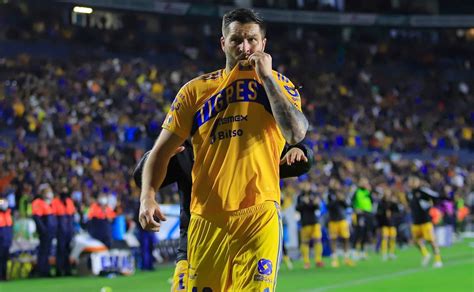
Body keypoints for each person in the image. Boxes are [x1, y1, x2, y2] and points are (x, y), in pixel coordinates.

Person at [138, 7, 308, 291]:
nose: (245, 47)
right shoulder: (195, 91)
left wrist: (266, 79)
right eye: (236, 40)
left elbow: (296, 133)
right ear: (223, 43)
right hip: (206, 219)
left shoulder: (279, 85)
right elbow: (160, 151)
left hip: (259, 214)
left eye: (252, 40)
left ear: (263, 44)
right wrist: (147, 197)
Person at [134, 141, 313, 289]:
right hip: (196, 246)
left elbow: (298, 161)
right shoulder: (183, 151)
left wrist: (299, 149)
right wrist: (160, 153)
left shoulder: (241, 138)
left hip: (246, 242)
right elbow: (141, 176)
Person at [406, 176, 443, 268]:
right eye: (411, 181)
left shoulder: (423, 191)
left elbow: (435, 196)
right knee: (415, 241)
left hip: (425, 221)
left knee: (431, 241)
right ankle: (426, 254)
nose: (412, 183)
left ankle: (438, 260)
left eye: (414, 181)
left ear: (418, 182)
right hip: (415, 221)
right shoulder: (409, 194)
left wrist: (431, 206)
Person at [296, 181, 323, 269]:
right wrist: (304, 203)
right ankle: (306, 262)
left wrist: (309, 203)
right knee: (305, 242)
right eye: (304, 184)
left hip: (315, 222)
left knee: (317, 240)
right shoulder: (300, 197)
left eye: (307, 184)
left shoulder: (314, 195)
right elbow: (297, 208)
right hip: (305, 222)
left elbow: (317, 207)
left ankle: (318, 260)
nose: (305, 186)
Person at [326, 179, 353, 268]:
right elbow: (328, 206)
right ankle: (334, 259)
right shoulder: (329, 194)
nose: (335, 185)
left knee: (346, 238)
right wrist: (336, 200)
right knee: (333, 239)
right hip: (333, 220)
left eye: (336, 183)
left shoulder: (341, 194)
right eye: (334, 183)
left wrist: (341, 200)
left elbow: (346, 205)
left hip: (342, 219)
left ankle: (346, 258)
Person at [32, 183, 55, 277]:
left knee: (48, 251)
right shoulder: (37, 202)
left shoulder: (49, 203)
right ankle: (41, 271)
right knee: (43, 251)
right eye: (46, 191)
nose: (49, 193)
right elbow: (37, 218)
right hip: (45, 231)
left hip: (50, 231)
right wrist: (43, 230)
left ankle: (46, 270)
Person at [51, 187, 76, 276]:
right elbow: (54, 217)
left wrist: (72, 230)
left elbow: (72, 216)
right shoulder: (55, 202)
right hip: (60, 230)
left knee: (67, 250)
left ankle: (67, 269)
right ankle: (59, 270)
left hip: (68, 229)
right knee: (60, 250)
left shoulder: (69, 201)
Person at [351, 177, 374, 260]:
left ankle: (362, 252)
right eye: (363, 182)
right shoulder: (357, 192)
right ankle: (353, 251)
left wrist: (370, 192)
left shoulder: (368, 192)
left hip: (368, 214)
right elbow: (351, 202)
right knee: (358, 232)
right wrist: (355, 209)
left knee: (365, 233)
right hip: (360, 215)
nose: (365, 184)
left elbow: (372, 201)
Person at [376, 188, 399, 261]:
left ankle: (391, 253)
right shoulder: (381, 202)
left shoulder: (393, 203)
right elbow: (378, 213)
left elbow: (397, 212)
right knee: (385, 238)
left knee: (392, 238)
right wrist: (384, 214)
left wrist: (392, 214)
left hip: (392, 223)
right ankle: (384, 254)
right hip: (384, 224)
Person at [0, 197, 13, 281]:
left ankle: (4, 275)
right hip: (1, 241)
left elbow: (10, 228)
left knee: (5, 259)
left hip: (7, 241)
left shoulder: (8, 214)